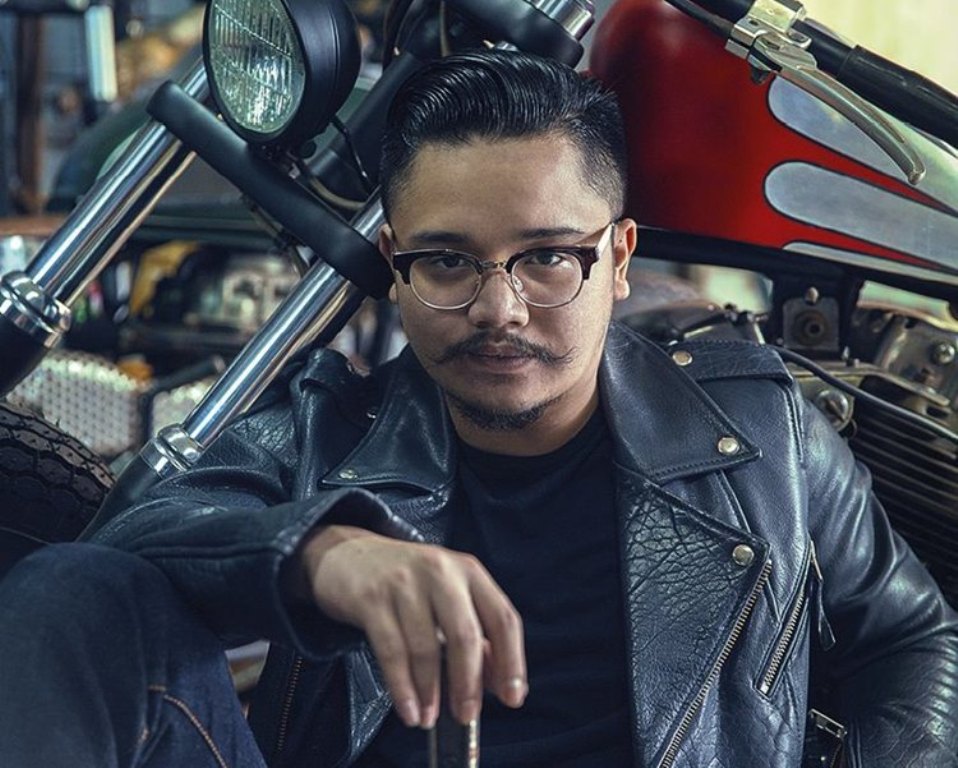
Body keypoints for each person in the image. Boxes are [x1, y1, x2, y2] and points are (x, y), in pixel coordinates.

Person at [1, 49, 957, 768]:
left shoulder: (757, 429)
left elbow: (913, 636)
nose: (500, 309)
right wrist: (320, 553)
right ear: (396, 266)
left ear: (619, 258)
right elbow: (133, 549)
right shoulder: (329, 432)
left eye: (548, 257)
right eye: (449, 261)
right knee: (73, 591)